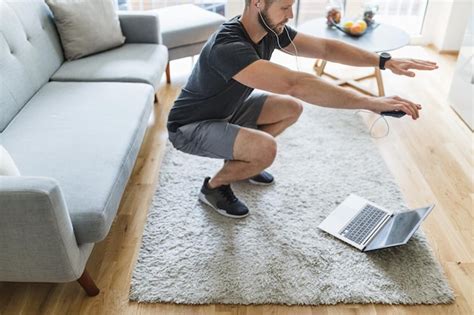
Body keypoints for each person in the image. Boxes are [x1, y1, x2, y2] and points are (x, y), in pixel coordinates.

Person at [166, 0, 438, 219]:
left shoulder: (270, 31)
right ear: (258, 3)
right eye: (284, 8)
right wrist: (371, 102)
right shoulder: (228, 47)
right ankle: (214, 187)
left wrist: (383, 61)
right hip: (190, 125)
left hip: (228, 111)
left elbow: (325, 47)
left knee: (290, 109)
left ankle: (239, 163)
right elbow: (296, 83)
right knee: (265, 148)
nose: (290, 14)